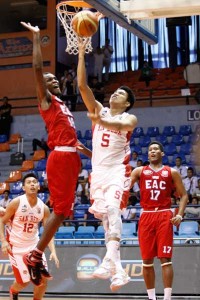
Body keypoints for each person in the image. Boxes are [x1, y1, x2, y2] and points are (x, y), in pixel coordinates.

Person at [19, 21, 83, 286]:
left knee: (64, 211)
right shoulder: (45, 101)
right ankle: (34, 255)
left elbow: (76, 143)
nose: (53, 79)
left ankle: (36, 254)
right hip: (60, 157)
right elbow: (36, 69)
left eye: (55, 78)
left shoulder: (62, 105)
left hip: (72, 156)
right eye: (49, 79)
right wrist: (36, 39)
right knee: (59, 210)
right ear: (42, 87)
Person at [77, 38, 137, 292]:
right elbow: (82, 85)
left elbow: (119, 127)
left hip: (117, 172)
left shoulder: (129, 117)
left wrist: (98, 120)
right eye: (115, 91)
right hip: (98, 173)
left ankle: (109, 260)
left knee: (113, 208)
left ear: (126, 103)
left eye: (121, 94)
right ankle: (119, 272)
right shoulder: (99, 110)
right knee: (105, 220)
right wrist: (81, 54)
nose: (115, 94)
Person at [130, 141, 188, 300]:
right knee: (146, 260)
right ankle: (151, 298)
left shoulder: (172, 172)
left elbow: (184, 196)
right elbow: (124, 187)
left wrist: (180, 214)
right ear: (147, 154)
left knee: (165, 259)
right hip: (146, 214)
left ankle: (167, 298)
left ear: (162, 153)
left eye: (155, 149)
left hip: (164, 215)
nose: (152, 151)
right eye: (150, 150)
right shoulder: (139, 171)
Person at [0, 173, 59, 300]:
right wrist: (3, 241)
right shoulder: (16, 202)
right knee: (23, 283)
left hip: (34, 247)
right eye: (28, 182)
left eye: (34, 182)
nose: (32, 184)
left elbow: (48, 232)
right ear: (23, 187)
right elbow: (2, 221)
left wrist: (53, 251)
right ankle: (13, 290)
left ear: (38, 186)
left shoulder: (43, 208)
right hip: (16, 247)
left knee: (43, 279)